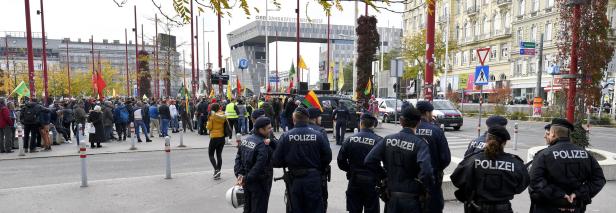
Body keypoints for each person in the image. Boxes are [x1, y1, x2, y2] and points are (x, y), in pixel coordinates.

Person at [364, 106, 433, 213]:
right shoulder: (420, 143)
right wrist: (427, 189)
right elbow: (427, 172)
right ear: (418, 122)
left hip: (392, 198)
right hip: (412, 200)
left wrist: (384, 176)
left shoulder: (388, 139)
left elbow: (369, 161)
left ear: (401, 121)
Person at [528, 118, 606, 212]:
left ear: (553, 133)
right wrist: (578, 193)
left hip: (548, 207)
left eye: (548, 134)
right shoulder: (585, 154)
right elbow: (599, 179)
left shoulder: (544, 154)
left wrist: (558, 194)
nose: (546, 136)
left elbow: (534, 180)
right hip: (575, 207)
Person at [451, 126, 529, 213]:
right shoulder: (515, 163)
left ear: (487, 139)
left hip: (478, 208)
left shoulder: (473, 159)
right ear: (504, 143)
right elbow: (522, 184)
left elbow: (456, 179)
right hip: (503, 209)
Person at [272, 107, 332, 213]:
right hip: (313, 179)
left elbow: (276, 161)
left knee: (295, 208)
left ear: (294, 120)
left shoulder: (286, 136)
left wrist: (289, 160)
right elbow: (327, 157)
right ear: (308, 118)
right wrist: (318, 167)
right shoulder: (318, 135)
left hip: (294, 180)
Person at [337, 113, 382, 213]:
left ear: (361, 123)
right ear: (373, 125)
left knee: (354, 209)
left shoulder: (349, 139)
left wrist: (350, 169)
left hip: (354, 180)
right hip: (372, 182)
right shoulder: (379, 141)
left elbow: (340, 161)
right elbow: (386, 164)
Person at [414, 101, 451, 213]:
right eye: (431, 112)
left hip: (411, 180)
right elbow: (446, 158)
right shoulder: (436, 130)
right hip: (432, 180)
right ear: (426, 113)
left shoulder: (411, 128)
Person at [234, 117, 275, 213]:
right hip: (260, 183)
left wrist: (240, 176)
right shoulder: (263, 144)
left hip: (246, 181)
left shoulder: (246, 140)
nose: (271, 130)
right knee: (259, 208)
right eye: (269, 128)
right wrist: (246, 178)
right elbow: (259, 166)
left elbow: (238, 159)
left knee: (247, 208)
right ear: (261, 130)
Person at [207, 103, 227, 180]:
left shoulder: (212, 116)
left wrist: (207, 123)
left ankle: (216, 170)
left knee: (211, 154)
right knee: (219, 155)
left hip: (214, 137)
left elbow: (209, 127)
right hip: (222, 137)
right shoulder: (223, 114)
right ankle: (218, 172)